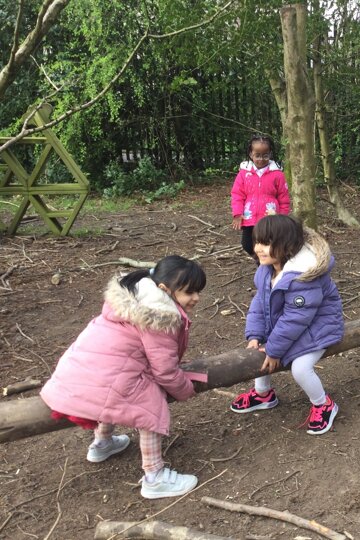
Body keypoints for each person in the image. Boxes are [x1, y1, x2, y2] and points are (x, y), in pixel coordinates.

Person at [40, 256, 207, 499]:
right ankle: (154, 477)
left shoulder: (133, 296)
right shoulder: (160, 316)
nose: (196, 298)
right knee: (149, 403)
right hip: (102, 378)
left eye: (198, 291)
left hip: (75, 373)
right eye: (189, 292)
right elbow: (165, 371)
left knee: (114, 387)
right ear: (164, 289)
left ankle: (102, 443)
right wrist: (185, 390)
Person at [230, 215, 344, 435]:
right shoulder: (267, 269)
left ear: (286, 246)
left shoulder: (304, 277)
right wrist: (255, 335)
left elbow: (296, 319)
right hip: (293, 326)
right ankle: (263, 394)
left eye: (266, 243)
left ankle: (323, 404)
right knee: (260, 349)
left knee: (300, 368)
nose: (258, 248)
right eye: (257, 242)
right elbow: (260, 303)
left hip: (319, 327)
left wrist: (274, 350)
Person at [231, 134, 291, 261]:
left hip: (269, 219)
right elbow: (237, 194)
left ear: (270, 154)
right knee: (247, 244)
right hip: (249, 218)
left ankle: (270, 265)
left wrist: (282, 217)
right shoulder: (244, 173)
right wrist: (237, 214)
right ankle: (262, 263)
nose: (261, 159)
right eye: (257, 155)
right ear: (251, 154)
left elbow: (284, 198)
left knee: (268, 246)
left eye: (265, 155)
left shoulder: (277, 174)